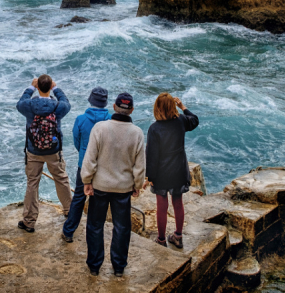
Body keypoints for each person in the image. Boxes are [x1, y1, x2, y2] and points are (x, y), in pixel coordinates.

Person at [81, 92, 145, 277]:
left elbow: (90, 158)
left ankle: (94, 265)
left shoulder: (100, 128)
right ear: (131, 109)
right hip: (123, 188)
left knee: (95, 225)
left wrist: (87, 180)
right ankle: (118, 267)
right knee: (122, 228)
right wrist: (137, 185)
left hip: (100, 185)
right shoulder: (137, 132)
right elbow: (139, 166)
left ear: (115, 107)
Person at [16, 74, 72, 233]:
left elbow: (20, 103)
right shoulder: (58, 107)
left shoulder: (29, 106)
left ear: (38, 87)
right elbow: (66, 102)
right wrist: (56, 88)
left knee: (32, 183)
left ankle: (29, 221)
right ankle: (69, 211)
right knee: (61, 178)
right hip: (54, 149)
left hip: (33, 150)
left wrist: (30, 88)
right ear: (50, 87)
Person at [145, 93, 199, 248]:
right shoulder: (181, 121)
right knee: (178, 203)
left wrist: (150, 176)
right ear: (172, 107)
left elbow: (152, 155)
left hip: (162, 173)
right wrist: (183, 107)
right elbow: (194, 120)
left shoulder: (154, 128)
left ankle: (161, 240)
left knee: (162, 206)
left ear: (157, 108)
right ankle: (178, 236)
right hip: (179, 170)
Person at [62, 87, 112, 243]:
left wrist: (84, 155)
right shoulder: (111, 120)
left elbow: (77, 142)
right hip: (104, 166)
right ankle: (94, 235)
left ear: (90, 100)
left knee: (78, 198)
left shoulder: (81, 119)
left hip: (84, 166)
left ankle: (69, 231)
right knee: (98, 201)